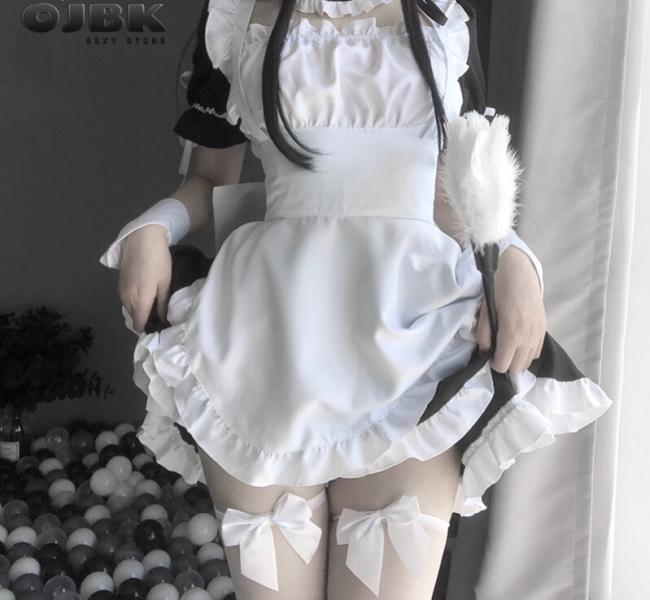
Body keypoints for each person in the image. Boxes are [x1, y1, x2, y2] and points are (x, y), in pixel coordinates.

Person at [99, 0, 613, 598]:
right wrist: (152, 228)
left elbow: (458, 192)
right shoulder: (237, 15)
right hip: (266, 342)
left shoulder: (443, 21)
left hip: (414, 336)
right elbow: (212, 179)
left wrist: (516, 260)